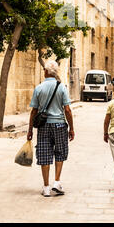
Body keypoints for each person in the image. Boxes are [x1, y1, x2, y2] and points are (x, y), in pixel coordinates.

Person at [27, 60, 75, 197]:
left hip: (43, 126)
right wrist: (71, 128)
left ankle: (46, 187)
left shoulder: (39, 88)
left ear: (46, 72)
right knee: (60, 153)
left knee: (44, 154)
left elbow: (33, 111)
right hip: (59, 125)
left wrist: (30, 130)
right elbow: (67, 110)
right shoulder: (61, 88)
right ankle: (57, 182)